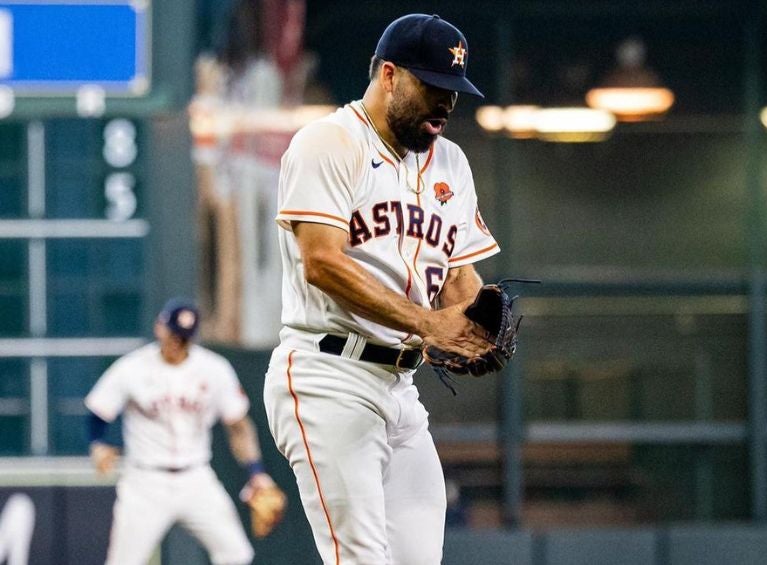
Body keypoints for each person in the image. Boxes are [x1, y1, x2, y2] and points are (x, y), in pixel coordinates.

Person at [264, 13, 498, 565]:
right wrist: (427, 323)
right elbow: (320, 263)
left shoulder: (451, 163)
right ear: (389, 75)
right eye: (433, 87)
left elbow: (460, 279)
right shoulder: (328, 142)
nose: (445, 104)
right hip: (328, 376)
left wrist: (476, 322)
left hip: (400, 388)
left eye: (454, 92)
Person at [85, 298, 284, 565]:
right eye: (174, 334)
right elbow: (98, 410)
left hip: (196, 477)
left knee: (236, 555)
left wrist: (256, 472)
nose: (177, 342)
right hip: (145, 481)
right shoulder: (132, 367)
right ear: (159, 328)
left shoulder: (214, 369)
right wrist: (97, 443)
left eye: (184, 337)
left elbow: (238, 425)